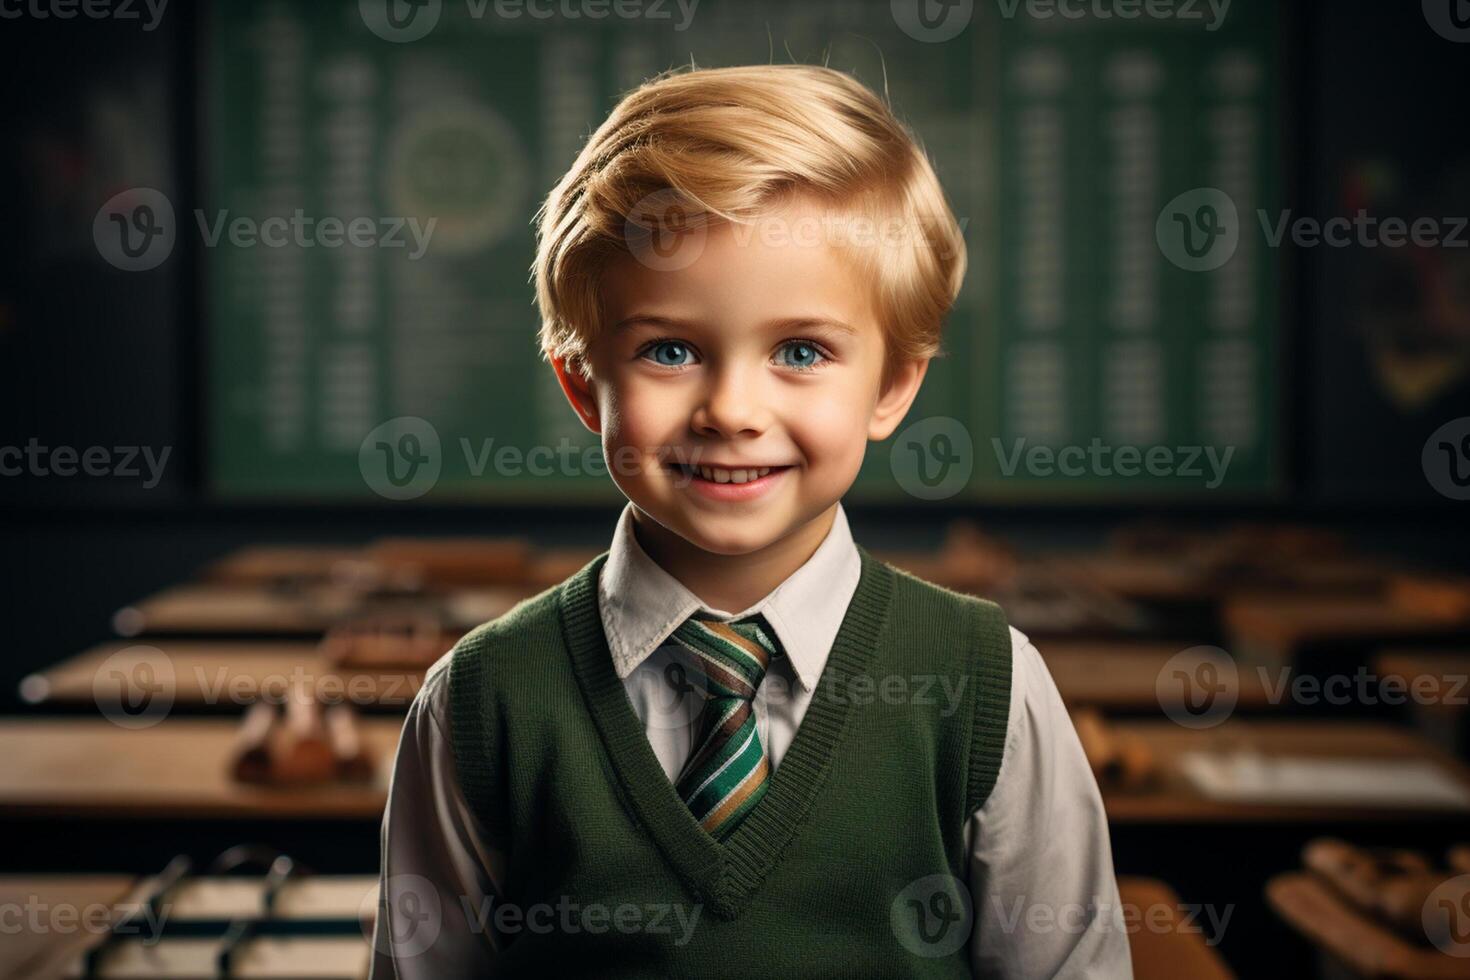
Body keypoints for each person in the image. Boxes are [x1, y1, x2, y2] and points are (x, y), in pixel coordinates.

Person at [371, 63, 1130, 978]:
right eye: (670, 349)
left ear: (890, 384)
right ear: (583, 383)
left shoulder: (988, 690)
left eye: (800, 351)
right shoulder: (481, 705)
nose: (731, 408)